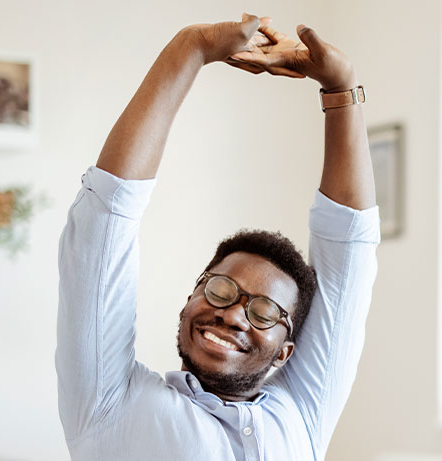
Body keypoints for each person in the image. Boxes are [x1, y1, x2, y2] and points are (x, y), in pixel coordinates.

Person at [55, 13, 378, 460]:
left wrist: (343, 88)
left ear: (286, 353)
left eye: (265, 312)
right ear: (191, 297)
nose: (232, 316)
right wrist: (190, 48)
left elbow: (351, 255)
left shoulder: (303, 411)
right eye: (221, 290)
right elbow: (105, 221)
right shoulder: (111, 402)